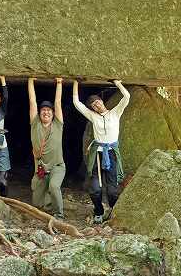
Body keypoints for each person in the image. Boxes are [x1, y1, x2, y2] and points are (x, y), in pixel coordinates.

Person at [72, 79, 131, 224]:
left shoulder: (115, 113)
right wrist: (75, 83)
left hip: (111, 153)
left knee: (112, 189)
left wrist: (117, 83)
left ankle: (113, 210)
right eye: (93, 105)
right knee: (95, 189)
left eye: (97, 102)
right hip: (97, 154)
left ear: (101, 101)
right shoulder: (93, 117)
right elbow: (76, 103)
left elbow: (127, 97)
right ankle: (98, 211)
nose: (96, 105)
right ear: (92, 109)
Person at [28, 77, 65, 219]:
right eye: (43, 110)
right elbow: (32, 101)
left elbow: (58, 103)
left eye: (49, 110)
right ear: (39, 112)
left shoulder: (58, 124)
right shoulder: (35, 123)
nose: (46, 112)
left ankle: (59, 214)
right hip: (41, 168)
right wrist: (30, 81)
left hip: (57, 166)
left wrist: (59, 83)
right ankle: (48, 204)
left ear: (53, 113)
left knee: (54, 187)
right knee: (37, 202)